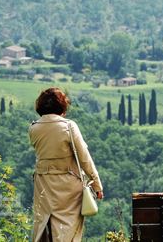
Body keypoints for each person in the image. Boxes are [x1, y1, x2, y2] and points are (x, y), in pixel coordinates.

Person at [29, 87, 103, 242]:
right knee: (68, 229)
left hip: (43, 184)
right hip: (68, 186)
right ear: (62, 106)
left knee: (44, 225)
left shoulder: (34, 128)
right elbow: (84, 158)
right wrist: (96, 184)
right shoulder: (69, 126)